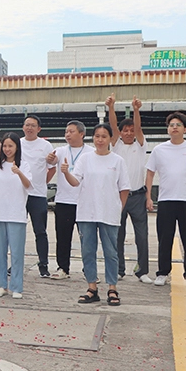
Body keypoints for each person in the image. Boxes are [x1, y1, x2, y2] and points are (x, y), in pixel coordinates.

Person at [62, 124, 130, 305]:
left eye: (104, 136)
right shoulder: (85, 159)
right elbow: (75, 182)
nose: (100, 140)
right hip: (87, 212)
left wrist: (119, 208)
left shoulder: (117, 161)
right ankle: (92, 287)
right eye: (97, 136)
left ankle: (112, 288)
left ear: (110, 139)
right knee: (88, 251)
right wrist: (66, 172)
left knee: (111, 252)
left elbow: (124, 188)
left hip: (108, 213)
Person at [145, 112, 186, 288]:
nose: (174, 127)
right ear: (168, 129)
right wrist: (148, 196)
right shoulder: (159, 150)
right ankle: (162, 273)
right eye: (171, 125)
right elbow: (150, 173)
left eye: (178, 125)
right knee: (165, 238)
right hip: (166, 199)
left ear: (185, 129)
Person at [0, 116, 54, 277]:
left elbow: (52, 167)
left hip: (37, 194)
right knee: (16, 232)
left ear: (39, 129)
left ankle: (43, 265)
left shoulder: (45, 145)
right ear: (23, 127)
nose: (29, 128)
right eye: (27, 125)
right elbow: (3, 152)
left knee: (40, 231)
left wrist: (41, 182)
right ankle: (15, 264)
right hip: (18, 195)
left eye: (33, 125)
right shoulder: (18, 143)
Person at [106, 94, 152, 283]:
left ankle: (142, 271)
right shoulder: (116, 145)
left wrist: (136, 110)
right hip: (119, 196)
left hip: (138, 196)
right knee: (118, 235)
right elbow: (112, 125)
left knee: (142, 236)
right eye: (125, 130)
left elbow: (139, 128)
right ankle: (119, 269)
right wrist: (111, 107)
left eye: (131, 130)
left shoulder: (140, 146)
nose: (128, 133)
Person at [46, 121, 94, 280]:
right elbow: (51, 161)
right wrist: (50, 159)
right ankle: (63, 268)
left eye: (71, 131)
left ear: (82, 134)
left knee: (87, 238)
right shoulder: (61, 151)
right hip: (64, 200)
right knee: (63, 237)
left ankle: (89, 270)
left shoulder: (91, 152)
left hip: (84, 201)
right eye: (66, 131)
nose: (67, 134)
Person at [0, 133, 32, 299]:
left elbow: (28, 185)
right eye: (5, 146)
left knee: (17, 253)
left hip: (16, 215)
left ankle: (17, 287)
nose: (7, 149)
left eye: (10, 146)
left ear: (17, 147)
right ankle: (1, 285)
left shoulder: (24, 165)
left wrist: (19, 172)